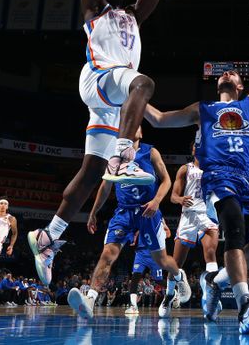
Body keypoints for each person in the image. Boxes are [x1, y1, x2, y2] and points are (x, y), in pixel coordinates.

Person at [28, 0, 168, 286]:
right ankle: (125, 155)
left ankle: (48, 236)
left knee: (90, 174)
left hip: (111, 99)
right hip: (101, 79)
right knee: (145, 82)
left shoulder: (134, 15)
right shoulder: (92, 8)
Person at [144, 19, 249, 335]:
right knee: (234, 227)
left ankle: (217, 282)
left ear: (240, 85)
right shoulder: (203, 109)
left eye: (232, 73)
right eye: (223, 72)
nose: (226, 73)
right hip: (218, 176)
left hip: (247, 178)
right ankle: (244, 302)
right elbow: (159, 119)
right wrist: (134, 95)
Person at [66, 128, 190, 319]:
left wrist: (157, 201)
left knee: (162, 260)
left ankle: (180, 277)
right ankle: (90, 300)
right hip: (124, 212)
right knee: (108, 254)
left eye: (138, 125)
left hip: (148, 211)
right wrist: (93, 212)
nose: (134, 128)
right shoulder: (114, 154)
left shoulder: (150, 152)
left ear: (141, 133)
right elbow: (106, 186)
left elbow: (166, 180)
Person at [170, 146, 220, 300]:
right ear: (192, 151)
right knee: (176, 263)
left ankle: (212, 294)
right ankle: (169, 295)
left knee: (210, 252)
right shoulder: (185, 169)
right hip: (188, 216)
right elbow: (173, 197)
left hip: (208, 215)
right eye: (195, 146)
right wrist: (180, 199)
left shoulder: (215, 169)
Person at [126, 221, 172, 315]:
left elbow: (168, 234)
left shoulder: (159, 219)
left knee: (158, 280)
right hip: (141, 253)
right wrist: (134, 236)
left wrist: (161, 236)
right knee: (135, 277)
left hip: (155, 254)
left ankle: (174, 292)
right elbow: (136, 229)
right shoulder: (141, 215)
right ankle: (133, 306)